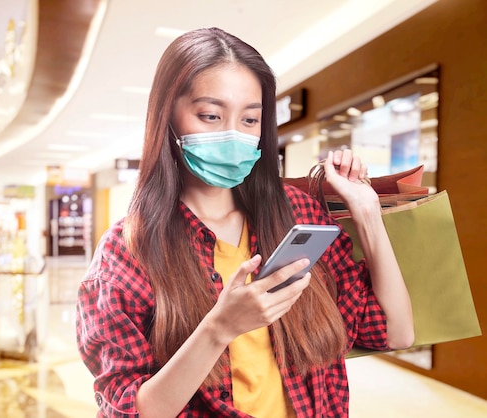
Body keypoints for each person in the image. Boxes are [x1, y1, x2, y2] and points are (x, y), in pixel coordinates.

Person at [76, 27, 414, 417]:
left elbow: (397, 332)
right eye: (210, 115)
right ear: (166, 115)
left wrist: (367, 213)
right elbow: (129, 411)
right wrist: (219, 328)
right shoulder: (127, 254)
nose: (233, 135)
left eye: (250, 119)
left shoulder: (296, 214)